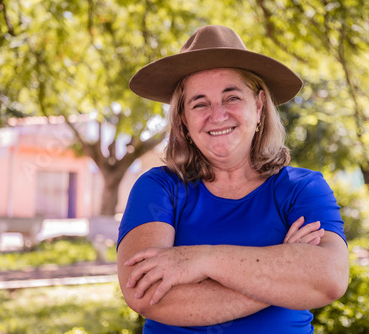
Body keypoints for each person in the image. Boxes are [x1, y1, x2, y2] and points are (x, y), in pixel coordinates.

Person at [117, 25, 349, 333]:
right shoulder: (159, 188)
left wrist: (202, 260)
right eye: (199, 103)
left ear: (259, 106)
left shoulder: (302, 189)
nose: (217, 114)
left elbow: (328, 280)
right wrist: (280, 275)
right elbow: (146, 293)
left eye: (232, 97)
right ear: (184, 120)